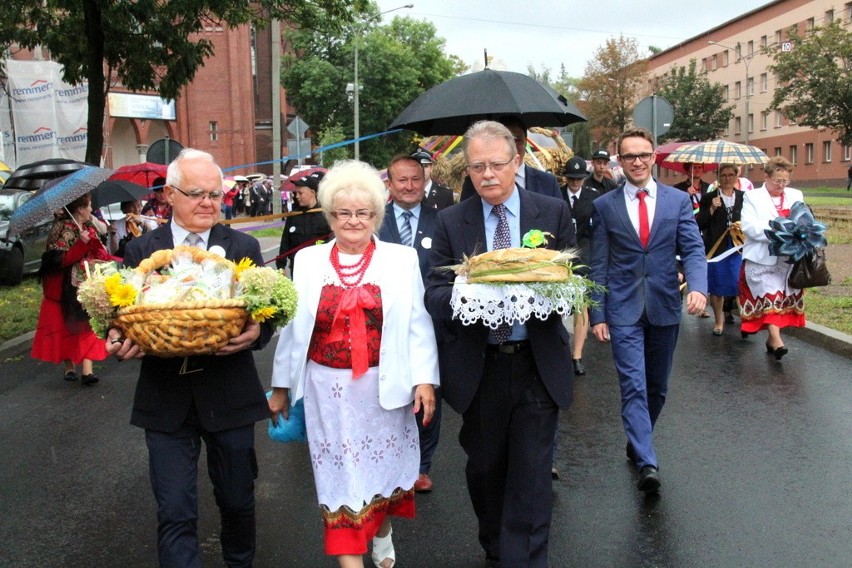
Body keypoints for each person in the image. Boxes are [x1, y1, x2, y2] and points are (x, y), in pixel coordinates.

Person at [106, 149, 273, 568]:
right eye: (197, 193)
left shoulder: (244, 247)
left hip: (230, 395)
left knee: (237, 501)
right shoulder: (141, 250)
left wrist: (258, 331)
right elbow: (121, 317)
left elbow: (267, 312)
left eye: (216, 193)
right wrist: (116, 338)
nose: (208, 202)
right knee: (175, 512)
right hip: (166, 400)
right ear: (169, 195)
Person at [269, 159, 438, 568]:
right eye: (343, 213)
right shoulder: (308, 262)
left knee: (380, 476)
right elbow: (293, 330)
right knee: (340, 483)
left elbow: (418, 321)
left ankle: (382, 530)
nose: (353, 221)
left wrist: (424, 380)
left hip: (385, 390)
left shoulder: (401, 260)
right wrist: (279, 387)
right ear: (329, 215)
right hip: (327, 392)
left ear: (377, 215)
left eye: (363, 213)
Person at [425, 120, 576, 567]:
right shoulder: (452, 222)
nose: (487, 174)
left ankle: (524, 558)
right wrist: (469, 295)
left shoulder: (551, 213)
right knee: (486, 469)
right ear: (467, 171)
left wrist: (545, 289)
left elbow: (575, 277)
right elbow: (433, 293)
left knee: (531, 475)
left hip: (536, 365)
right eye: (477, 167)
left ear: (516, 162)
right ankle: (496, 544)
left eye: (496, 164)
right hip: (481, 368)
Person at [589, 128, 707, 494]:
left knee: (657, 387)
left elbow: (692, 249)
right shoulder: (604, 206)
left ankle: (638, 438)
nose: (637, 162)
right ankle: (647, 462)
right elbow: (598, 265)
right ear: (619, 163)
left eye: (643, 155)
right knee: (634, 386)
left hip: (664, 305)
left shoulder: (677, 202)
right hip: (623, 308)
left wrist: (699, 287)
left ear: (653, 157)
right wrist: (598, 314)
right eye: (629, 157)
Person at [378, 154, 442, 493]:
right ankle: (389, 461)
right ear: (389, 183)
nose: (409, 186)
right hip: (385, 324)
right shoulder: (375, 222)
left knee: (427, 390)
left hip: (430, 322)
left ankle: (421, 466)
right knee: (390, 393)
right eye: (401, 180)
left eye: (415, 179)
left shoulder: (443, 220)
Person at [31, 193, 111, 386]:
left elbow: (100, 249)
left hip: (86, 283)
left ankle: (87, 370)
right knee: (66, 325)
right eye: (89, 205)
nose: (91, 209)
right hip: (64, 288)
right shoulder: (62, 228)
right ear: (80, 209)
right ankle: (69, 367)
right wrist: (80, 244)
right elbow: (58, 260)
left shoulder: (89, 225)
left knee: (88, 324)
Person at [738, 156, 806, 359]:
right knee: (771, 299)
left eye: (785, 181)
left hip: (788, 261)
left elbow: (804, 219)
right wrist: (779, 232)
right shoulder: (752, 197)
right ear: (766, 176)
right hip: (761, 258)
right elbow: (749, 227)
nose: (781, 185)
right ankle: (777, 341)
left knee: (782, 301)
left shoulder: (795, 194)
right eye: (777, 180)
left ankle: (772, 339)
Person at [459, 115, 562, 202]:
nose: (513, 146)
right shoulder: (473, 182)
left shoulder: (547, 182)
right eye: (507, 140)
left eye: (517, 140)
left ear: (526, 141)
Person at [562, 155, 600, 375]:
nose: (575, 182)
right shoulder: (556, 194)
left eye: (578, 178)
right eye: (571, 178)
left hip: (584, 256)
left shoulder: (593, 198)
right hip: (561, 255)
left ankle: (577, 354)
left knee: (581, 304)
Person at [696, 164, 745, 336]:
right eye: (723, 175)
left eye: (731, 174)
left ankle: (745, 319)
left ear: (736, 176)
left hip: (738, 246)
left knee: (738, 282)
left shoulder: (744, 197)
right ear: (718, 177)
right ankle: (718, 322)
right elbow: (700, 223)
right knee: (717, 284)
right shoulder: (709, 197)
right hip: (716, 247)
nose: (727, 178)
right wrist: (711, 209)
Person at [276, 171, 331, 275]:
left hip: (320, 268)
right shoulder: (294, 215)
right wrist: (281, 266)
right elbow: (285, 241)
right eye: (295, 193)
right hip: (297, 267)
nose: (297, 196)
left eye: (300, 193)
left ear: (312, 192)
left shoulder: (325, 215)